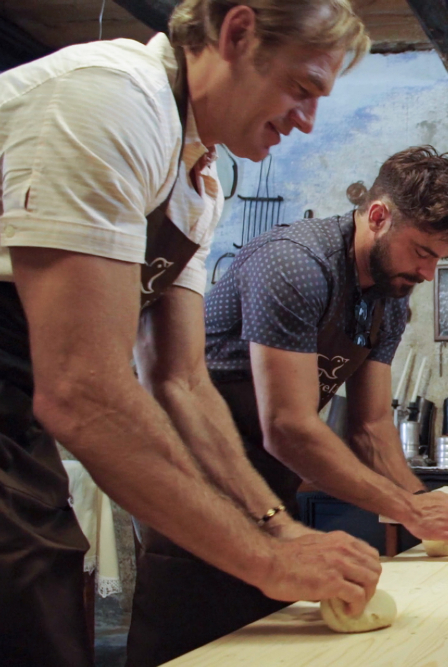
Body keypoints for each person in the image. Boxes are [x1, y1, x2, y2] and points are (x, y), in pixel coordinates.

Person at [0, 2, 380, 666]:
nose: (309, 120)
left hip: (17, 400)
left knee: (47, 582)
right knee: (31, 601)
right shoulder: (110, 99)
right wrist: (265, 560)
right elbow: (84, 393)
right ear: (237, 33)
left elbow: (179, 380)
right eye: (302, 87)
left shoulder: (199, 181)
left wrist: (276, 523)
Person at [125, 145, 448, 663]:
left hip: (271, 478)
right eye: (422, 252)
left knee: (265, 641)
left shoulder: (389, 297)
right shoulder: (296, 263)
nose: (429, 273)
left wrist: (428, 509)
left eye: (440, 257)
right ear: (378, 216)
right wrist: (407, 509)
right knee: (192, 638)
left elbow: (370, 426)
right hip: (194, 470)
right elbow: (288, 426)